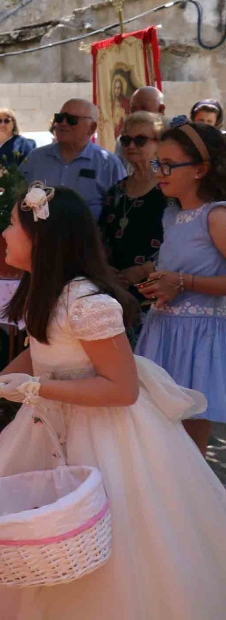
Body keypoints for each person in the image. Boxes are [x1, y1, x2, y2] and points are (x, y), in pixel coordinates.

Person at [0, 186, 226, 619]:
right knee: (34, 531)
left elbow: (122, 390)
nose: (3, 233)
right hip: (47, 425)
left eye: (11, 224)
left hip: (107, 435)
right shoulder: (45, 291)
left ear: (42, 239)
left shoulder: (87, 303)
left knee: (106, 535)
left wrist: (34, 389)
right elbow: (39, 350)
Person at [135, 119, 226, 454]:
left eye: (170, 165)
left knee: (189, 451)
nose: (160, 172)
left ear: (201, 170)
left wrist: (184, 282)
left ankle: (198, 506)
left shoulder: (216, 216)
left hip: (197, 341)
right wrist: (151, 276)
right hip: (162, 333)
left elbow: (188, 276)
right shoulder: (172, 215)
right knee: (159, 446)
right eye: (158, 163)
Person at [98, 111, 167, 343]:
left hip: (157, 296)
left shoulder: (171, 189)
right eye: (126, 140)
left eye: (141, 140)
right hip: (116, 294)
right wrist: (106, 271)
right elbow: (101, 237)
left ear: (160, 144)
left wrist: (145, 270)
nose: (131, 146)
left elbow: (185, 240)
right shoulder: (116, 190)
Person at [19, 98, 125, 220]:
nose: (63, 123)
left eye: (71, 120)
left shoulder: (108, 164)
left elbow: (120, 210)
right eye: (59, 118)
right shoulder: (34, 159)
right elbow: (15, 198)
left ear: (92, 128)